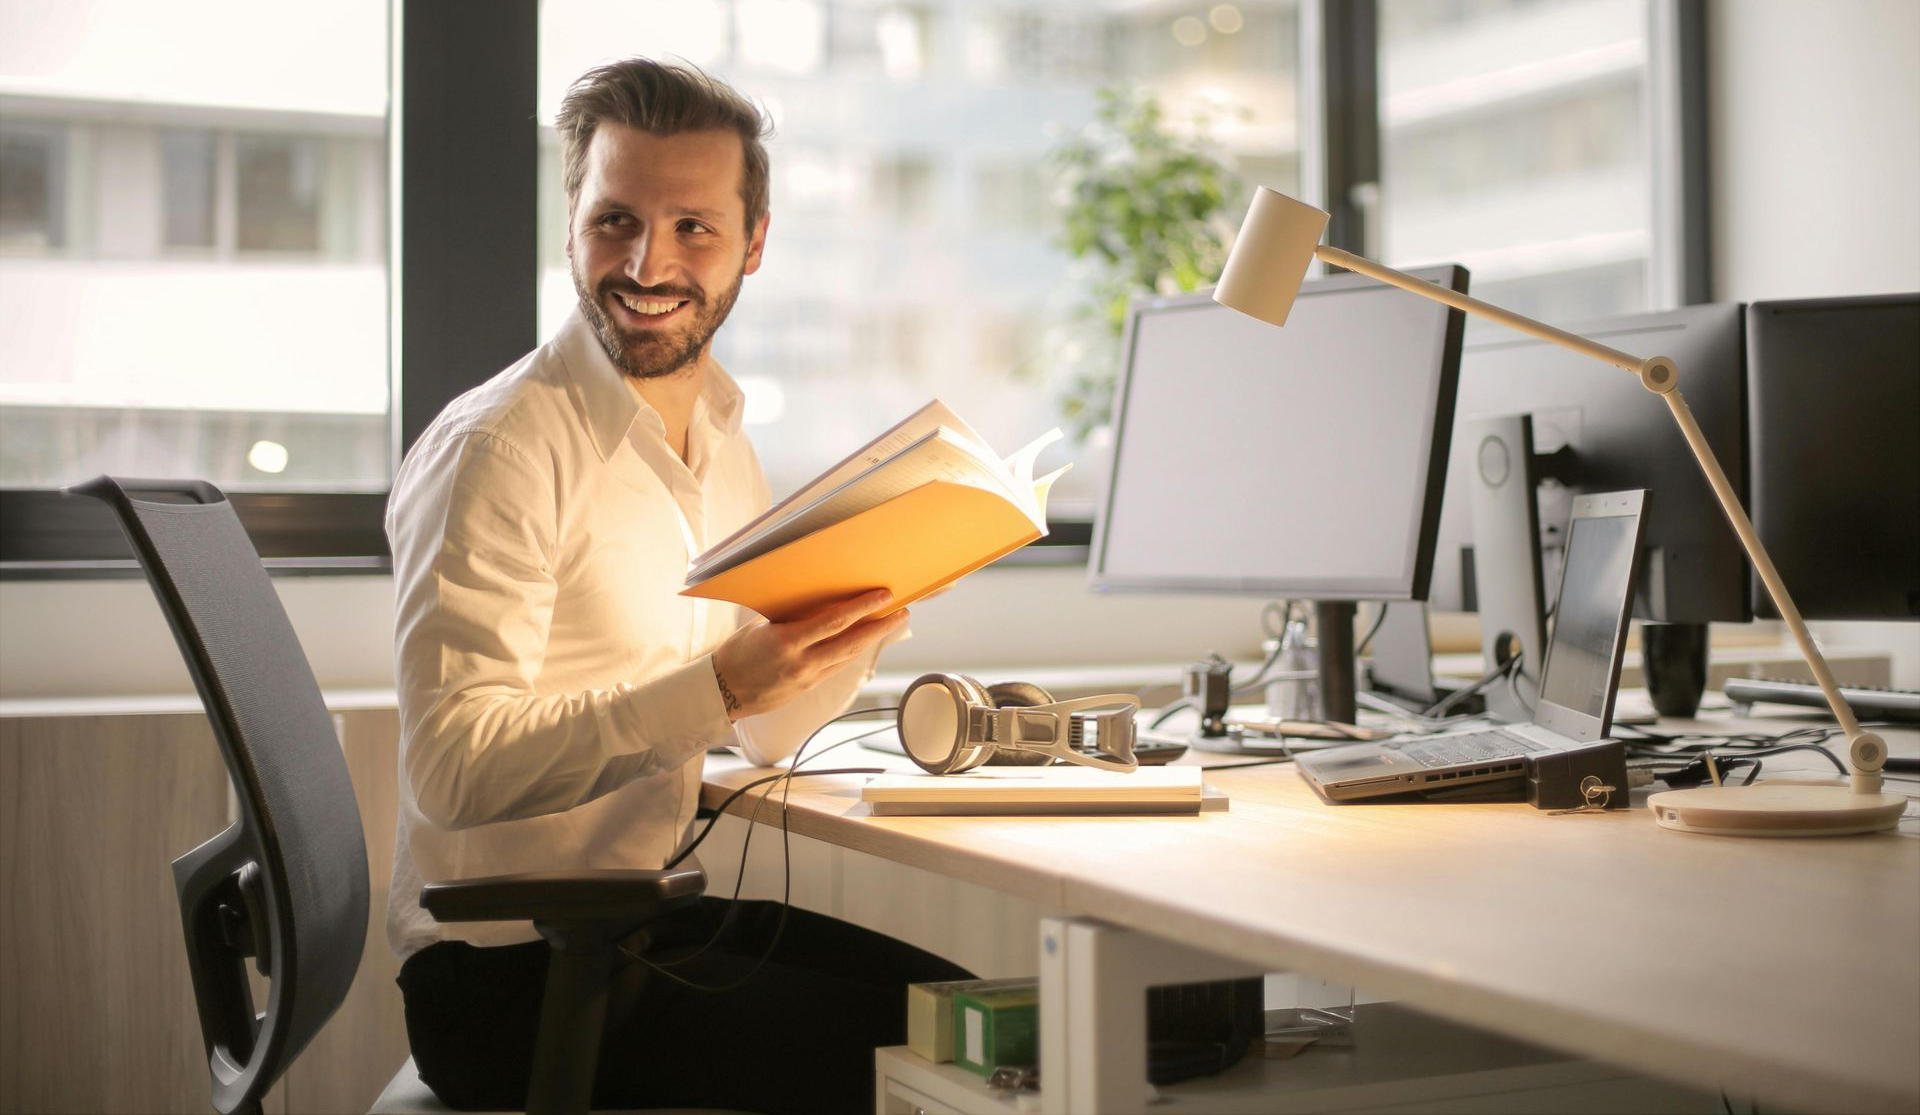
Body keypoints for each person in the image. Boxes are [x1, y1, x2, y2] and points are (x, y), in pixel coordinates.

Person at [386, 58, 970, 1112]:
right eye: (616, 219)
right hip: (509, 978)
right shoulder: (500, 447)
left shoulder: (719, 437)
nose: (648, 261)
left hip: (636, 923)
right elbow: (453, 767)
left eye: (693, 227)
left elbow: (764, 734)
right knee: (965, 1069)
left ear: (754, 243)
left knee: (980, 1014)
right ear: (571, 221)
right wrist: (720, 685)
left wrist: (857, 620)